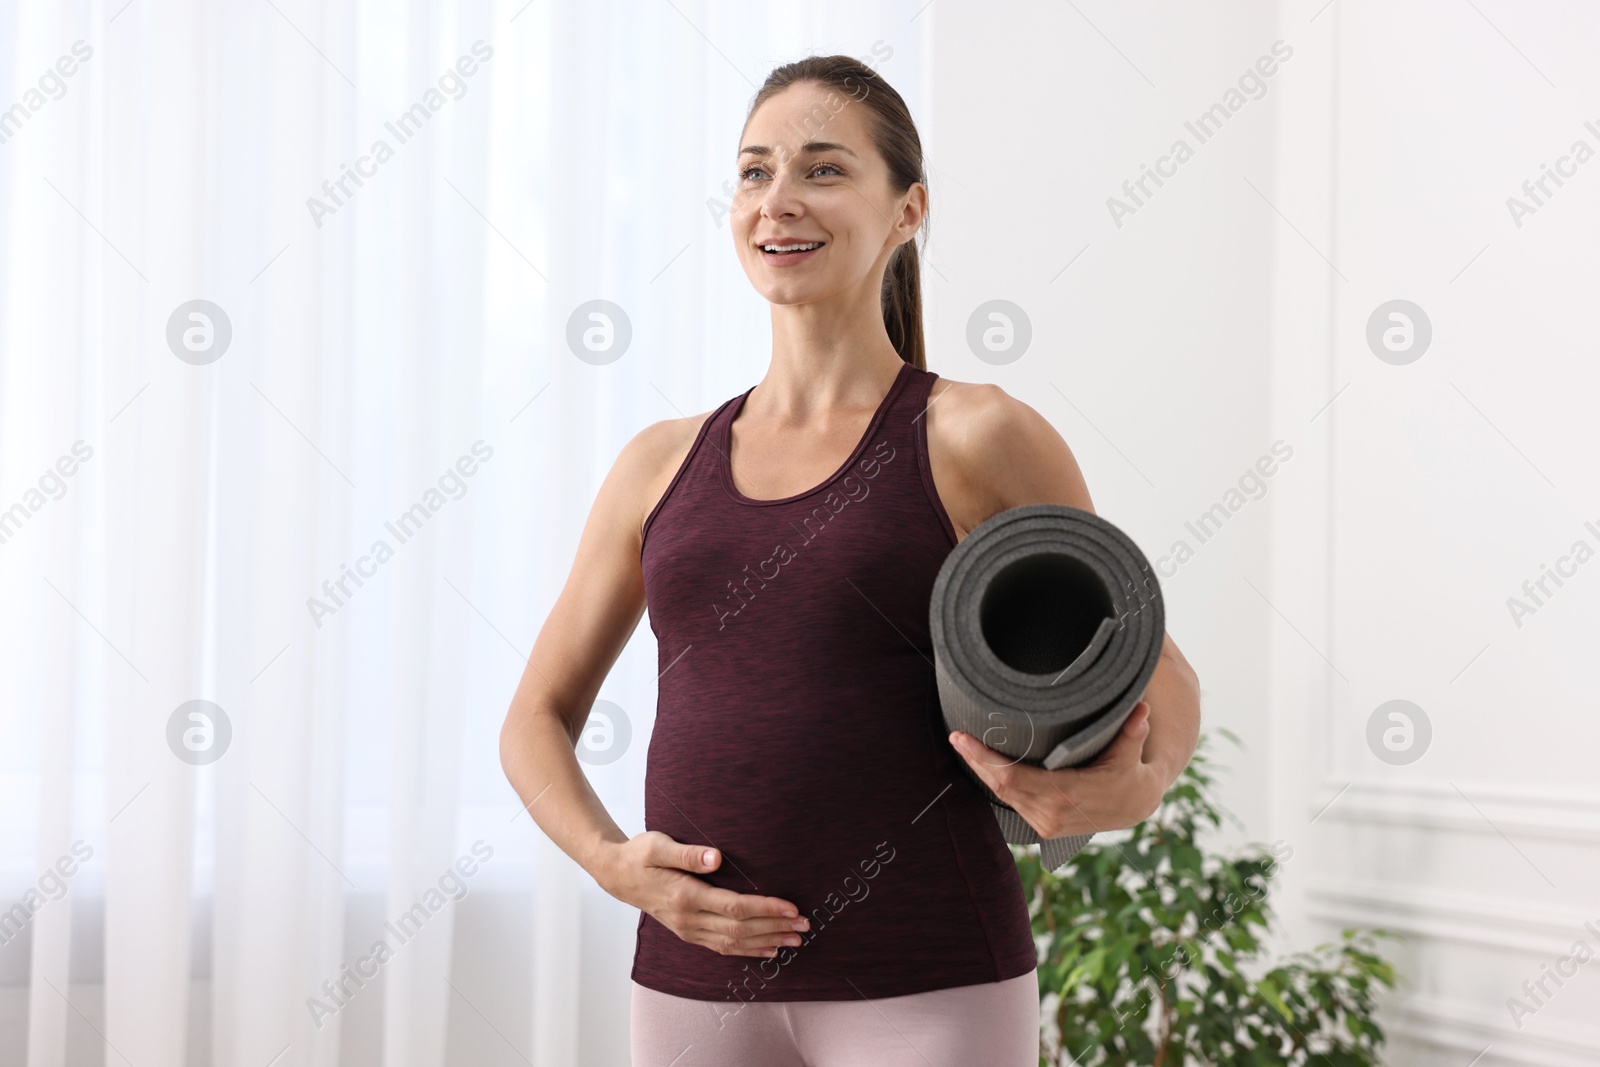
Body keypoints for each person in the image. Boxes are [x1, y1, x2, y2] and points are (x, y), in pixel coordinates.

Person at [499, 54, 1202, 1067]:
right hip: (694, 980)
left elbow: (1156, 666)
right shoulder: (658, 463)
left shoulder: (974, 433)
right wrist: (618, 866)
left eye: (823, 170)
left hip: (931, 977)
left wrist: (1139, 784)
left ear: (907, 209)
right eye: (753, 172)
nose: (778, 199)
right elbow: (533, 717)